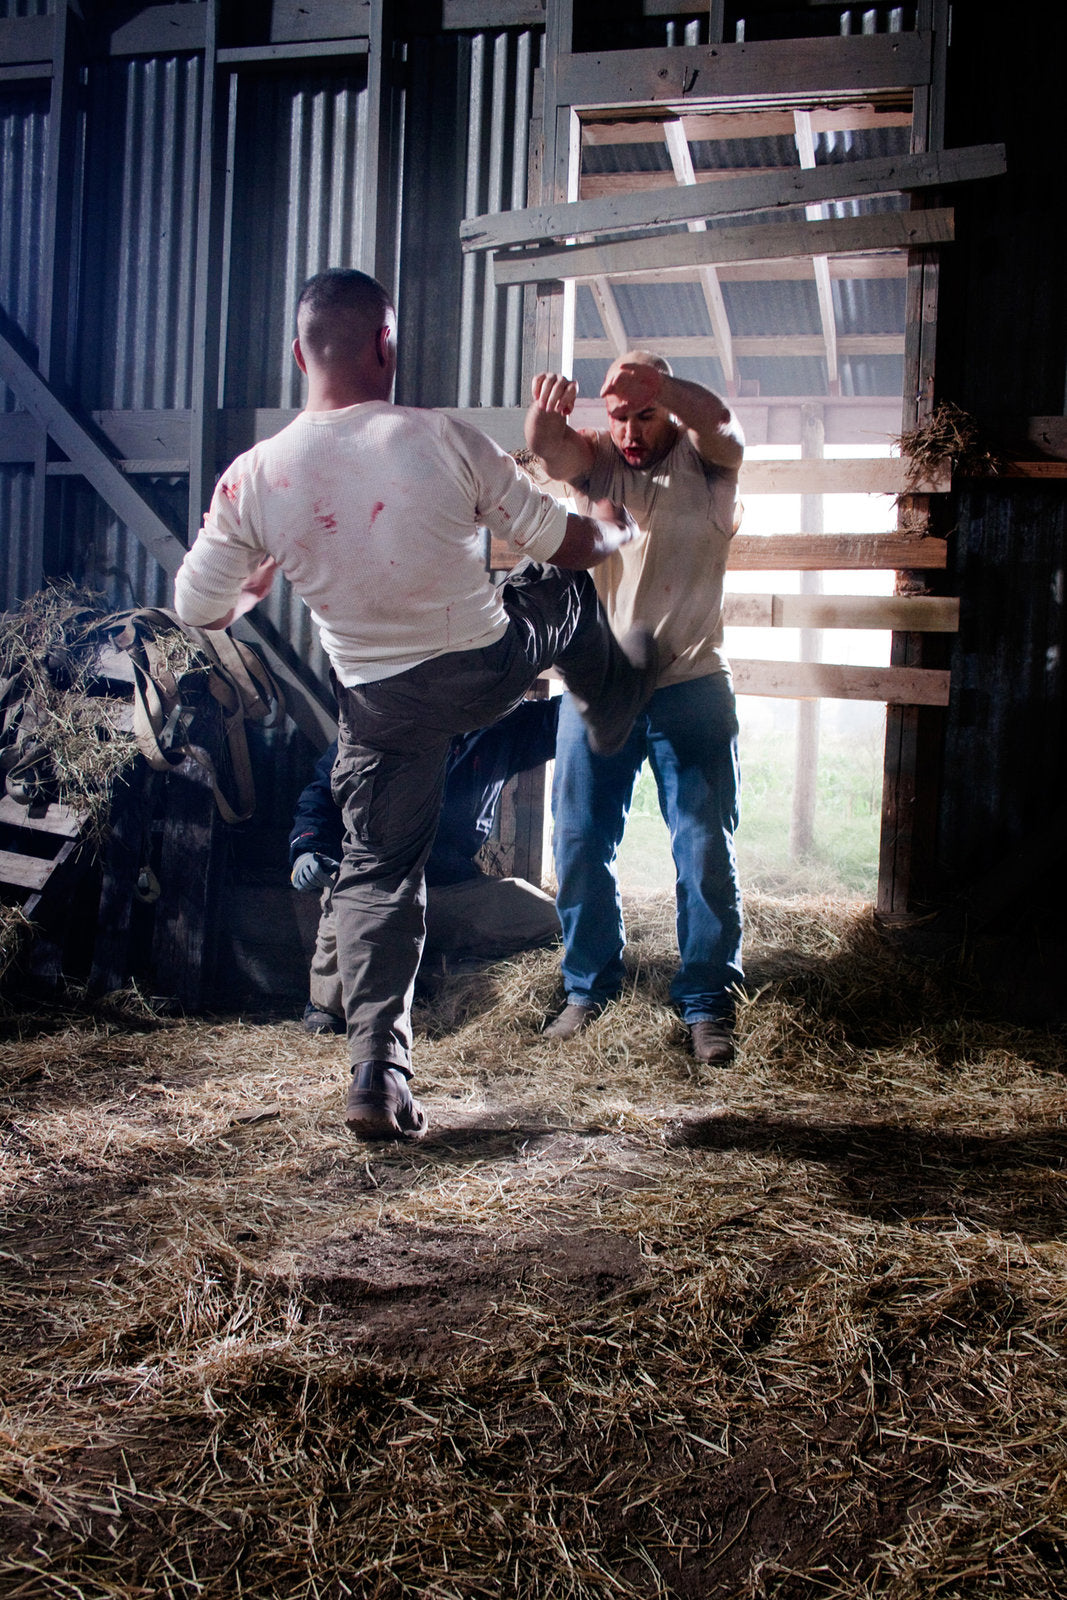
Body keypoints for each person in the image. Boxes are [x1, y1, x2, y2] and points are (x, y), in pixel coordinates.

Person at [173, 268, 656, 1141]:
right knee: (564, 592)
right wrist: (617, 524)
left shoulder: (252, 478)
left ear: (299, 355)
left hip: (380, 706)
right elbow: (569, 544)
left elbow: (198, 608)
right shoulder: (442, 437)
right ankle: (616, 710)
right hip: (482, 670)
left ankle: (377, 1074)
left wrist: (259, 576)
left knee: (376, 877)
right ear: (385, 344)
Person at [525, 351, 745, 1064]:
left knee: (703, 848)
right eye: (618, 417)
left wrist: (664, 389)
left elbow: (721, 423)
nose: (628, 432)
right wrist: (544, 416)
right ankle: (588, 988)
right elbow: (549, 450)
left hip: (691, 684)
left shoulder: (707, 464)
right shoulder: (599, 462)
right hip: (600, 688)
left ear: (666, 409)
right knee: (578, 842)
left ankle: (707, 1002)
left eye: (643, 415)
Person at [290, 695, 561, 1033]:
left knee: (555, 925)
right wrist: (307, 849)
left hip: (453, 887)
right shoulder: (378, 719)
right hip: (376, 885)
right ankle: (342, 997)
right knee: (334, 1007)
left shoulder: (500, 725)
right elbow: (320, 795)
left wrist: (603, 678)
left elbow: (566, 716)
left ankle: (434, 974)